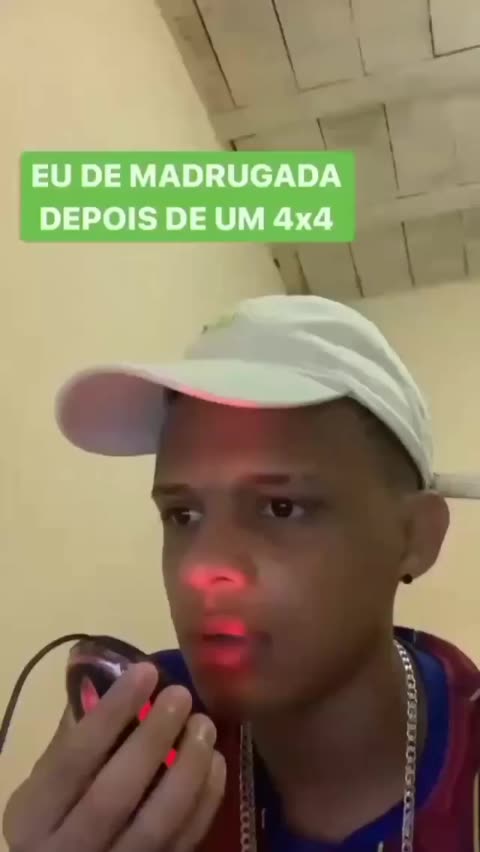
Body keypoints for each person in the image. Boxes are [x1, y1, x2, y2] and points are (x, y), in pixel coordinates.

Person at [4, 294, 480, 852]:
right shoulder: (147, 726)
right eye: (182, 515)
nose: (201, 569)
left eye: (281, 507)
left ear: (414, 537)